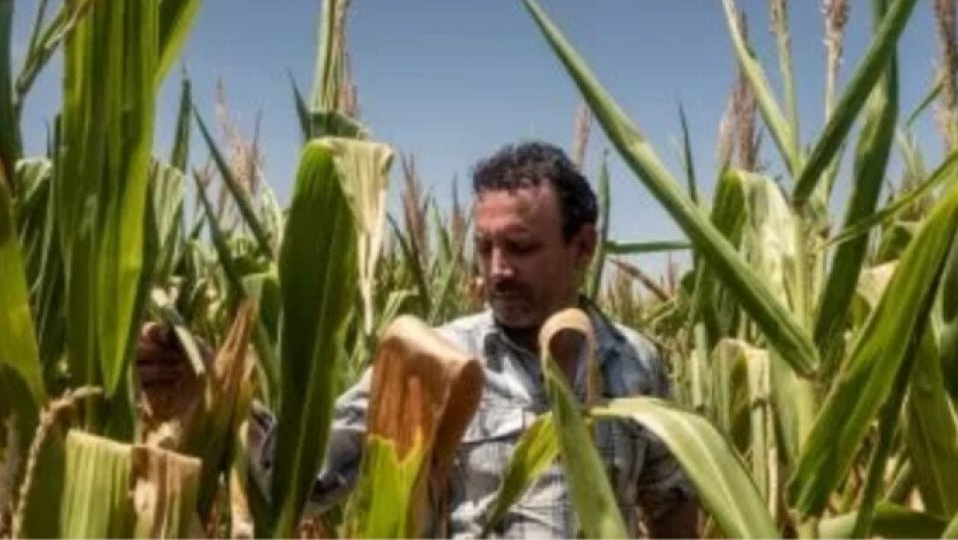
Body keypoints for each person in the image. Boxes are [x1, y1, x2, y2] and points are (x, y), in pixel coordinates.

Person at [250, 141, 699, 538]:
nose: (497, 270)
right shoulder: (434, 361)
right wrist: (224, 399)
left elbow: (670, 500)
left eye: (520, 247)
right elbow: (293, 480)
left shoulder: (635, 362)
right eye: (484, 247)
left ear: (582, 247)